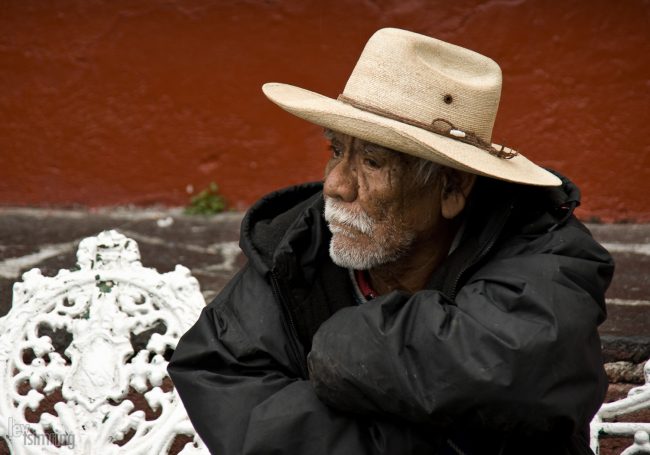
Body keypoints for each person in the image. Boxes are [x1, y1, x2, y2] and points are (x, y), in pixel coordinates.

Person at [168, 28, 614, 454]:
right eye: (337, 151)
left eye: (373, 161)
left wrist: (344, 347)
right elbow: (221, 372)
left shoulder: (543, 249)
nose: (336, 186)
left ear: (451, 188)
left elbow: (521, 372)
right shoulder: (297, 250)